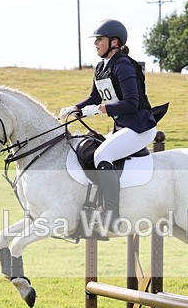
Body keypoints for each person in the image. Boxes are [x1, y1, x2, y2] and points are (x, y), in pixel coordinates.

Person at [59, 19, 157, 231]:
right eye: (96, 40)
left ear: (114, 42)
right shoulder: (102, 67)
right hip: (123, 128)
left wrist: (102, 110)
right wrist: (74, 108)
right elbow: (94, 97)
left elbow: (132, 103)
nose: (95, 44)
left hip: (140, 127)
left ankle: (112, 215)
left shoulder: (123, 65)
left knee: (101, 155)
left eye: (100, 40)